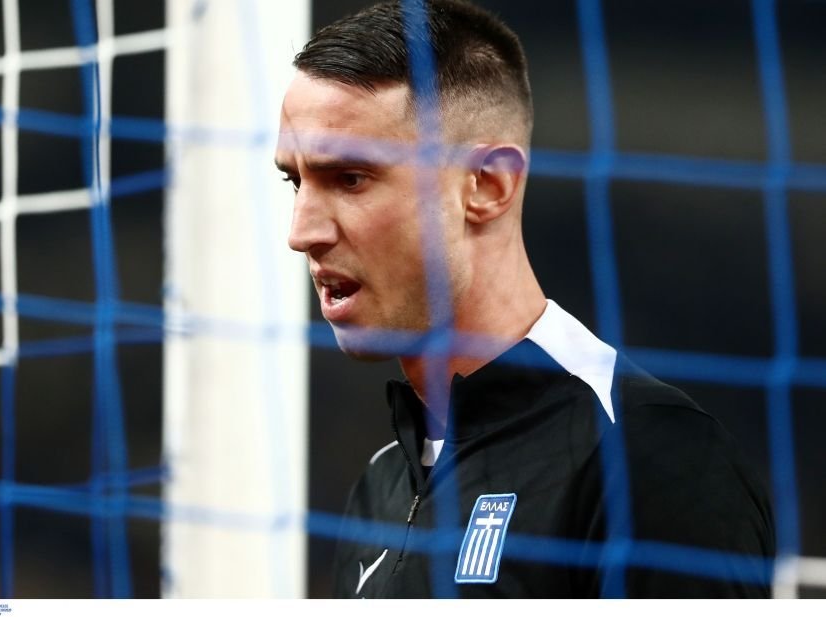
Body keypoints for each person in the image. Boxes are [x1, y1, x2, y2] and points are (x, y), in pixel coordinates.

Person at [275, 0, 775, 598]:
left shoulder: (649, 457)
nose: (302, 231)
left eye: (350, 178)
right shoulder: (381, 482)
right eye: (295, 181)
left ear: (488, 186)